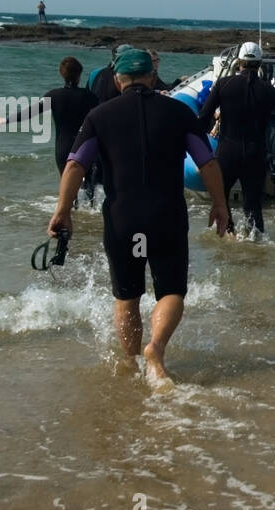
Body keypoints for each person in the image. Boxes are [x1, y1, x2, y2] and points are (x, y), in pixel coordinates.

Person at [46, 48, 229, 384]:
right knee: (171, 291)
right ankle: (155, 349)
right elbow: (207, 161)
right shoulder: (179, 113)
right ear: (150, 77)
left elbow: (75, 164)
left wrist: (62, 212)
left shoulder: (99, 116)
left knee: (127, 296)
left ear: (118, 80)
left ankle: (130, 366)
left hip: (122, 218)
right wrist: (220, 204)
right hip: (167, 216)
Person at [195, 41, 275, 239]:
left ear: (239, 62)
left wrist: (202, 150)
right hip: (255, 153)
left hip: (227, 152)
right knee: (252, 204)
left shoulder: (224, 84)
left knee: (221, 199)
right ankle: (255, 242)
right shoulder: (269, 90)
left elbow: (204, 117)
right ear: (259, 64)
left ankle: (229, 235)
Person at [0, 56, 100, 174]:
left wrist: (5, 120)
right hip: (83, 147)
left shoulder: (53, 96)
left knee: (67, 188)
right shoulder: (90, 97)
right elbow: (103, 117)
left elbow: (30, 112)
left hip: (63, 149)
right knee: (89, 189)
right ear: (79, 74)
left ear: (62, 74)